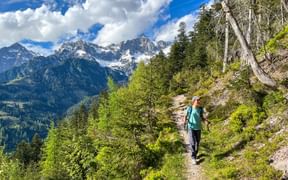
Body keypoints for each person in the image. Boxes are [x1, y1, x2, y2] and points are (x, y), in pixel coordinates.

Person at [183, 96, 210, 165]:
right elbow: (186, 116)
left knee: (197, 143)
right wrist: (185, 121)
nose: (199, 101)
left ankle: (195, 154)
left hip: (198, 127)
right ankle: (193, 158)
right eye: (197, 100)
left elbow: (201, 117)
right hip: (191, 127)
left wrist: (206, 121)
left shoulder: (200, 109)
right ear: (193, 101)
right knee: (192, 142)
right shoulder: (190, 108)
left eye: (199, 100)